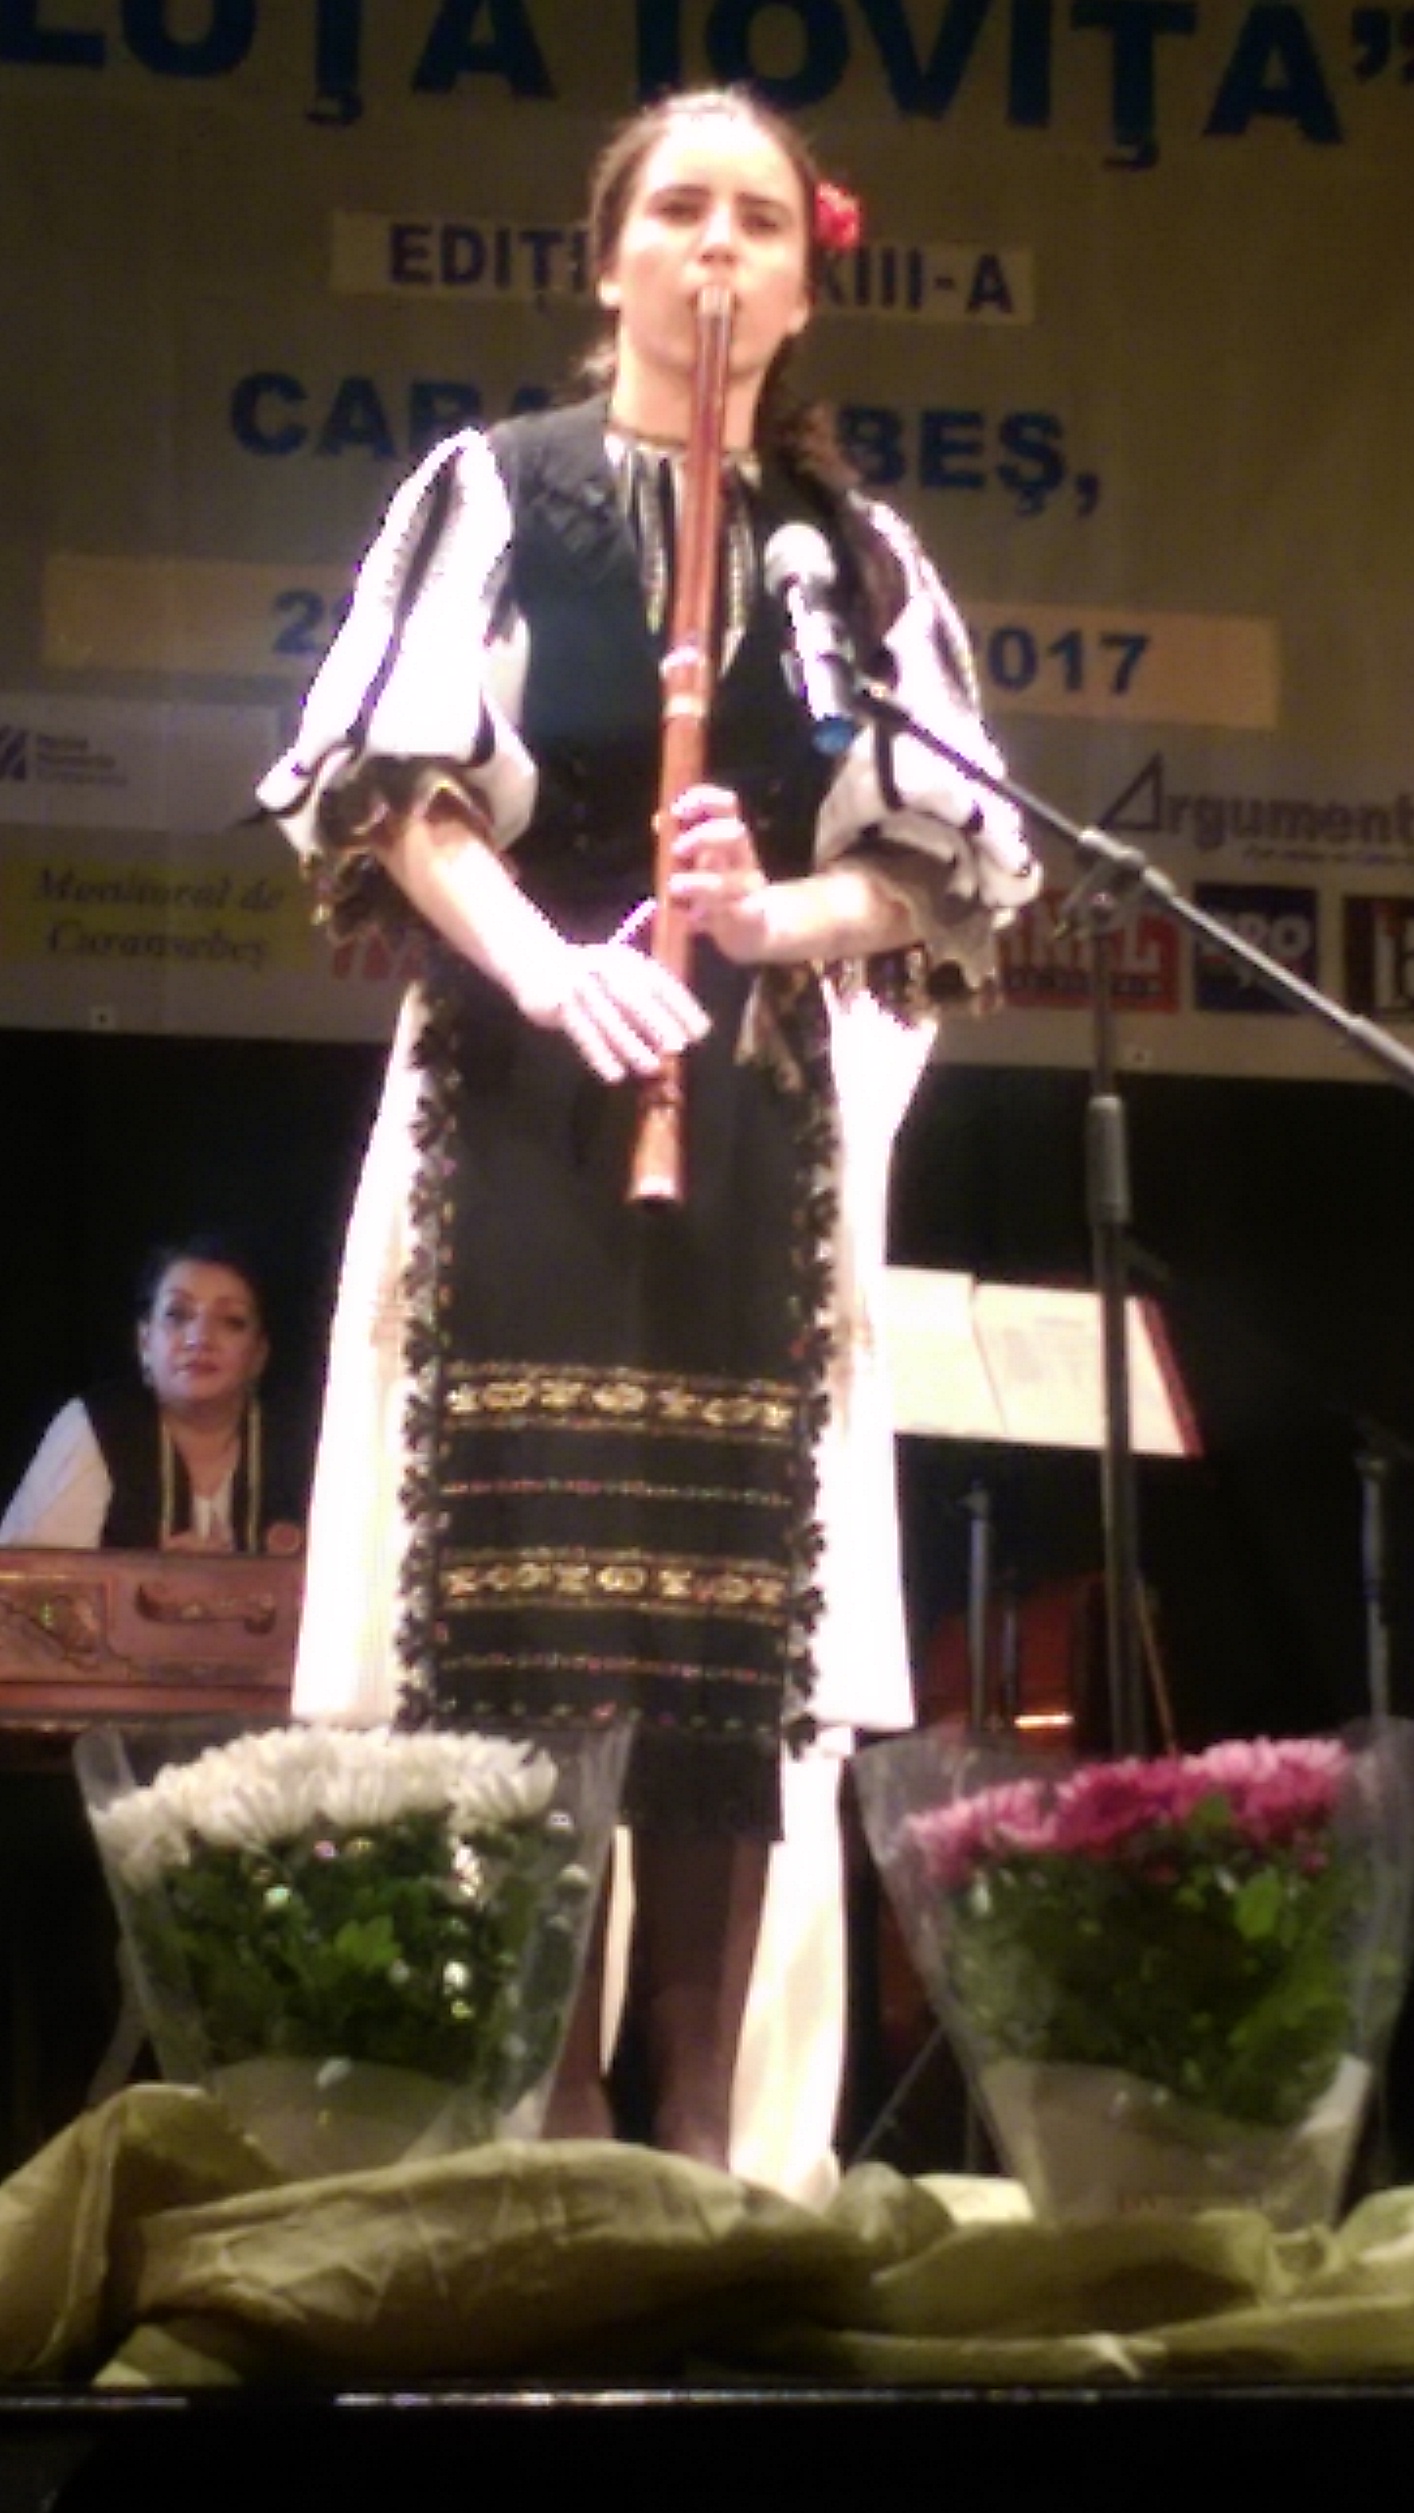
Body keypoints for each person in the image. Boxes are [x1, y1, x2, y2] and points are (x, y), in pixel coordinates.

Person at [258, 87, 1036, 2175]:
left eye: (756, 218)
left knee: (719, 1603)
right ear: (608, 263)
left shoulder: (849, 557)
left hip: (751, 1113)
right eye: (677, 210)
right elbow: (389, 786)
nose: (715, 247)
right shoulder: (494, 492)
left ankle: (694, 2111)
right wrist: (548, 963)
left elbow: (942, 864)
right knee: (524, 1587)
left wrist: (774, 912)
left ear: (801, 284)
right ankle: (547, 2100)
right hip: (517, 1096)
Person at [0, 1236, 304, 1554]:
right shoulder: (98, 1425)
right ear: (145, 1343)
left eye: (232, 1321)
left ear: (258, 1355)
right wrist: (152, 1576)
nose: (200, 1338)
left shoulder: (303, 1440)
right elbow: (35, 1578)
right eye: (178, 1315)